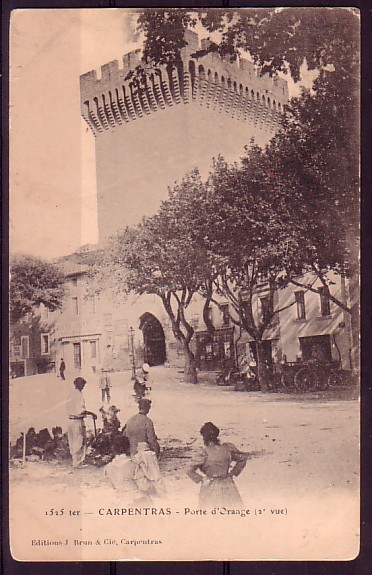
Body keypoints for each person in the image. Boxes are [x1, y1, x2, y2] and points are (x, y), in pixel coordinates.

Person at [187, 422, 248, 508]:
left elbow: (188, 469)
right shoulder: (227, 448)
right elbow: (242, 458)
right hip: (228, 484)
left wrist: (201, 479)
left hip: (211, 486)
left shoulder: (203, 453)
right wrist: (233, 473)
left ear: (204, 438)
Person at [66, 377, 97, 468]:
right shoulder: (78, 395)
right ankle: (78, 463)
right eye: (82, 385)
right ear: (78, 384)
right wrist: (92, 414)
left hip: (70, 421)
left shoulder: (71, 394)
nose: (83, 387)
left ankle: (75, 461)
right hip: (77, 421)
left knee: (73, 441)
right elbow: (81, 411)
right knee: (79, 441)